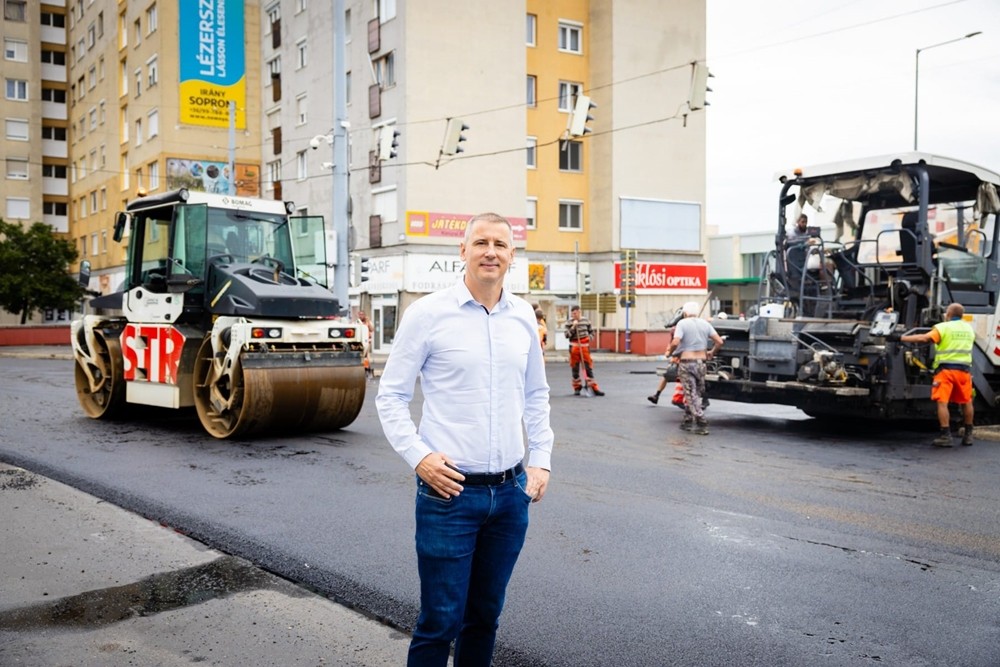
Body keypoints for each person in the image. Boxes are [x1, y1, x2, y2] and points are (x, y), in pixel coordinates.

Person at [375, 212, 554, 667]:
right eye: (481, 243)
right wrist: (419, 457)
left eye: (500, 244)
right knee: (440, 621)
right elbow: (391, 396)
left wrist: (541, 459)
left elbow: (536, 393)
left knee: (485, 617)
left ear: (512, 255)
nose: (490, 252)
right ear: (463, 251)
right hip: (448, 493)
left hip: (511, 495)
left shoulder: (523, 317)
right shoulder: (427, 314)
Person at [899, 303, 976, 446]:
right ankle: (968, 435)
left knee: (942, 403)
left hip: (946, 371)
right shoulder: (969, 329)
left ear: (948, 314)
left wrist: (901, 338)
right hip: (964, 371)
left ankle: (946, 436)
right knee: (966, 402)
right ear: (961, 315)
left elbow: (924, 339)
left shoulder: (943, 327)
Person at [668, 301, 724, 435]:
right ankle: (687, 419)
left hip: (687, 363)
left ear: (685, 313)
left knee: (690, 393)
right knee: (695, 393)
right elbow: (719, 341)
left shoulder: (682, 324)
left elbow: (675, 341)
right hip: (701, 364)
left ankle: (701, 421)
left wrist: (670, 352)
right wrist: (711, 352)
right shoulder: (705, 324)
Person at [564, 305, 605, 396]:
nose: (574, 315)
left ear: (579, 312)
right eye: (572, 314)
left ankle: (592, 387)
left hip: (584, 347)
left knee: (588, 368)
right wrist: (573, 327)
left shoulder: (586, 321)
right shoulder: (569, 322)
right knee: (575, 368)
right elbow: (566, 335)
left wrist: (589, 338)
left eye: (575, 313)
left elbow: (592, 332)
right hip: (574, 347)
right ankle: (577, 387)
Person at [358, 310, 375, 379]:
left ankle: (367, 369)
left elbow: (372, 329)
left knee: (366, 356)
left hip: (367, 341)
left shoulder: (368, 322)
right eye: (360, 314)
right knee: (362, 356)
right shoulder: (357, 322)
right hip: (360, 341)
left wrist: (368, 322)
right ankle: (364, 368)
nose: (361, 316)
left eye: (362, 314)